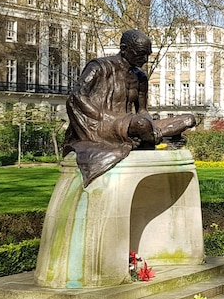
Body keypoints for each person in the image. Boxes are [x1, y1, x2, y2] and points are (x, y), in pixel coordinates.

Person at [64, 29, 197, 186]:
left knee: (189, 119)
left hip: (133, 123)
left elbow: (142, 111)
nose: (145, 59)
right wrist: (102, 118)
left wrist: (151, 127)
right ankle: (149, 136)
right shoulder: (99, 67)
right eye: (140, 54)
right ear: (124, 48)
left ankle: (149, 136)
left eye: (147, 54)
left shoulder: (140, 77)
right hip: (105, 123)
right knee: (141, 125)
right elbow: (77, 96)